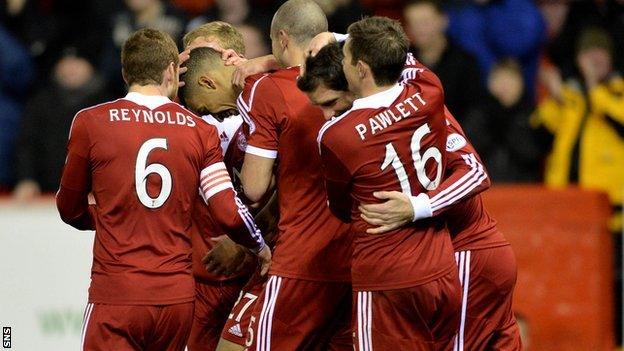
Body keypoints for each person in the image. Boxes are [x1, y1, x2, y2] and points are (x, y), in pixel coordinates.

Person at [300, 37, 521, 350]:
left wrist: (419, 206)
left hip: (466, 251)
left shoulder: (423, 108)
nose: (327, 115)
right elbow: (395, 53)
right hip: (464, 256)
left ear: (355, 82)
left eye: (331, 103)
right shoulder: (411, 102)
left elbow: (474, 171)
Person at [55, 28, 270, 350]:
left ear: (126, 72)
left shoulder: (91, 121)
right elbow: (228, 210)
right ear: (172, 70)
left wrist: (115, 217)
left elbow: (68, 208)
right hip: (177, 297)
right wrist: (259, 247)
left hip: (118, 293)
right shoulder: (198, 130)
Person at [316, 17, 460, 349]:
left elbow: (340, 208)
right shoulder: (429, 89)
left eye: (346, 55)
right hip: (440, 271)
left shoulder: (337, 135)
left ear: (361, 68)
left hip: (386, 277)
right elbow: (409, 63)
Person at [231, 0, 354, 349]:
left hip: (302, 258)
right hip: (357, 257)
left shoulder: (267, 90)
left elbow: (254, 188)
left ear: (282, 38)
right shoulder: (359, 85)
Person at [179, 22, 257, 351]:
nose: (191, 72)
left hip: (262, 274)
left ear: (234, 60)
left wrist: (248, 243)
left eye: (205, 57)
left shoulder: (278, 110)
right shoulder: (175, 120)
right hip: (198, 280)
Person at [14, 50, 108, 201]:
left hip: (95, 196)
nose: (71, 68)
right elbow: (27, 145)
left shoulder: (109, 106)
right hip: (45, 194)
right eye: (65, 61)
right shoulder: (39, 102)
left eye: (78, 61)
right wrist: (26, 179)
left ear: (91, 65)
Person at [462, 58, 547, 182]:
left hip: (524, 191)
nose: (505, 86)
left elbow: (532, 154)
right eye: (500, 79)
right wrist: (492, 117)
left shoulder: (533, 116)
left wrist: (507, 123)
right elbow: (467, 151)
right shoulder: (479, 114)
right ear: (490, 83)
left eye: (511, 79)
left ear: (521, 84)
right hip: (485, 190)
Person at [403, 0, 484, 122]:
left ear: (443, 21)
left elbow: (475, 112)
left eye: (425, 22)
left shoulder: (465, 63)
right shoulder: (400, 63)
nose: (419, 29)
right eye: (413, 23)